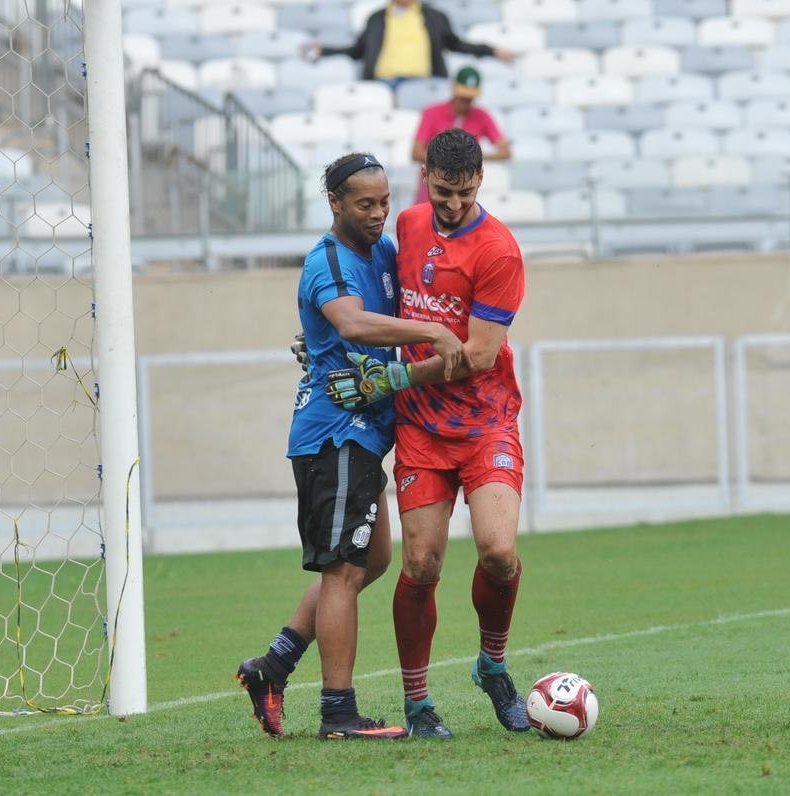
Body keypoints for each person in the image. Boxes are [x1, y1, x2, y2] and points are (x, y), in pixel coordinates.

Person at [236, 152, 469, 741]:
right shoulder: (328, 259)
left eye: (384, 201)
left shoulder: (384, 255)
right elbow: (352, 324)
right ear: (335, 203)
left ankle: (274, 665)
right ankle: (338, 712)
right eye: (364, 203)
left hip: (364, 433)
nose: (378, 213)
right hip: (333, 433)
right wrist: (434, 332)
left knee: (375, 560)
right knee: (343, 570)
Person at [326, 129, 530, 739]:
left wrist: (394, 376)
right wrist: (324, 342)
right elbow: (373, 302)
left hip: (484, 419)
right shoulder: (408, 227)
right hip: (422, 427)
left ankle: (492, 664)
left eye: (465, 193)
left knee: (498, 551)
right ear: (426, 177)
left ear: (479, 184)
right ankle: (418, 705)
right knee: (420, 562)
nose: (453, 205)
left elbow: (481, 354)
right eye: (443, 192)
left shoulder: (498, 251)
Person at [301, 0, 514, 85]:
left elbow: (457, 44)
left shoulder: (433, 16)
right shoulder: (377, 17)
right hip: (384, 83)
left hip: (423, 82)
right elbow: (357, 50)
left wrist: (492, 50)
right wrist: (324, 50)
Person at [411, 66, 510, 205]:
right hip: (433, 190)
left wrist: (470, 158)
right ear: (453, 89)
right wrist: (458, 159)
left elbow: (505, 151)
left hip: (464, 193)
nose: (466, 101)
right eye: (463, 96)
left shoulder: (482, 116)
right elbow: (416, 153)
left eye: (470, 98)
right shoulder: (432, 113)